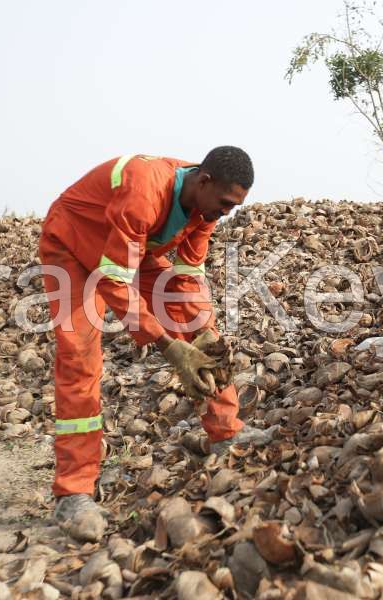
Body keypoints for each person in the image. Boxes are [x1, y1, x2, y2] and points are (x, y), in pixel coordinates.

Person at [38, 146, 273, 541]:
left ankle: (226, 433)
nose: (226, 213)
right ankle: (72, 493)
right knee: (79, 357)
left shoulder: (204, 209)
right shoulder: (145, 190)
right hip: (73, 248)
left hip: (134, 250)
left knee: (202, 332)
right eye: (226, 204)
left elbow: (185, 280)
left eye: (235, 207)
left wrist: (204, 335)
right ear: (204, 181)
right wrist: (168, 345)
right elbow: (112, 280)